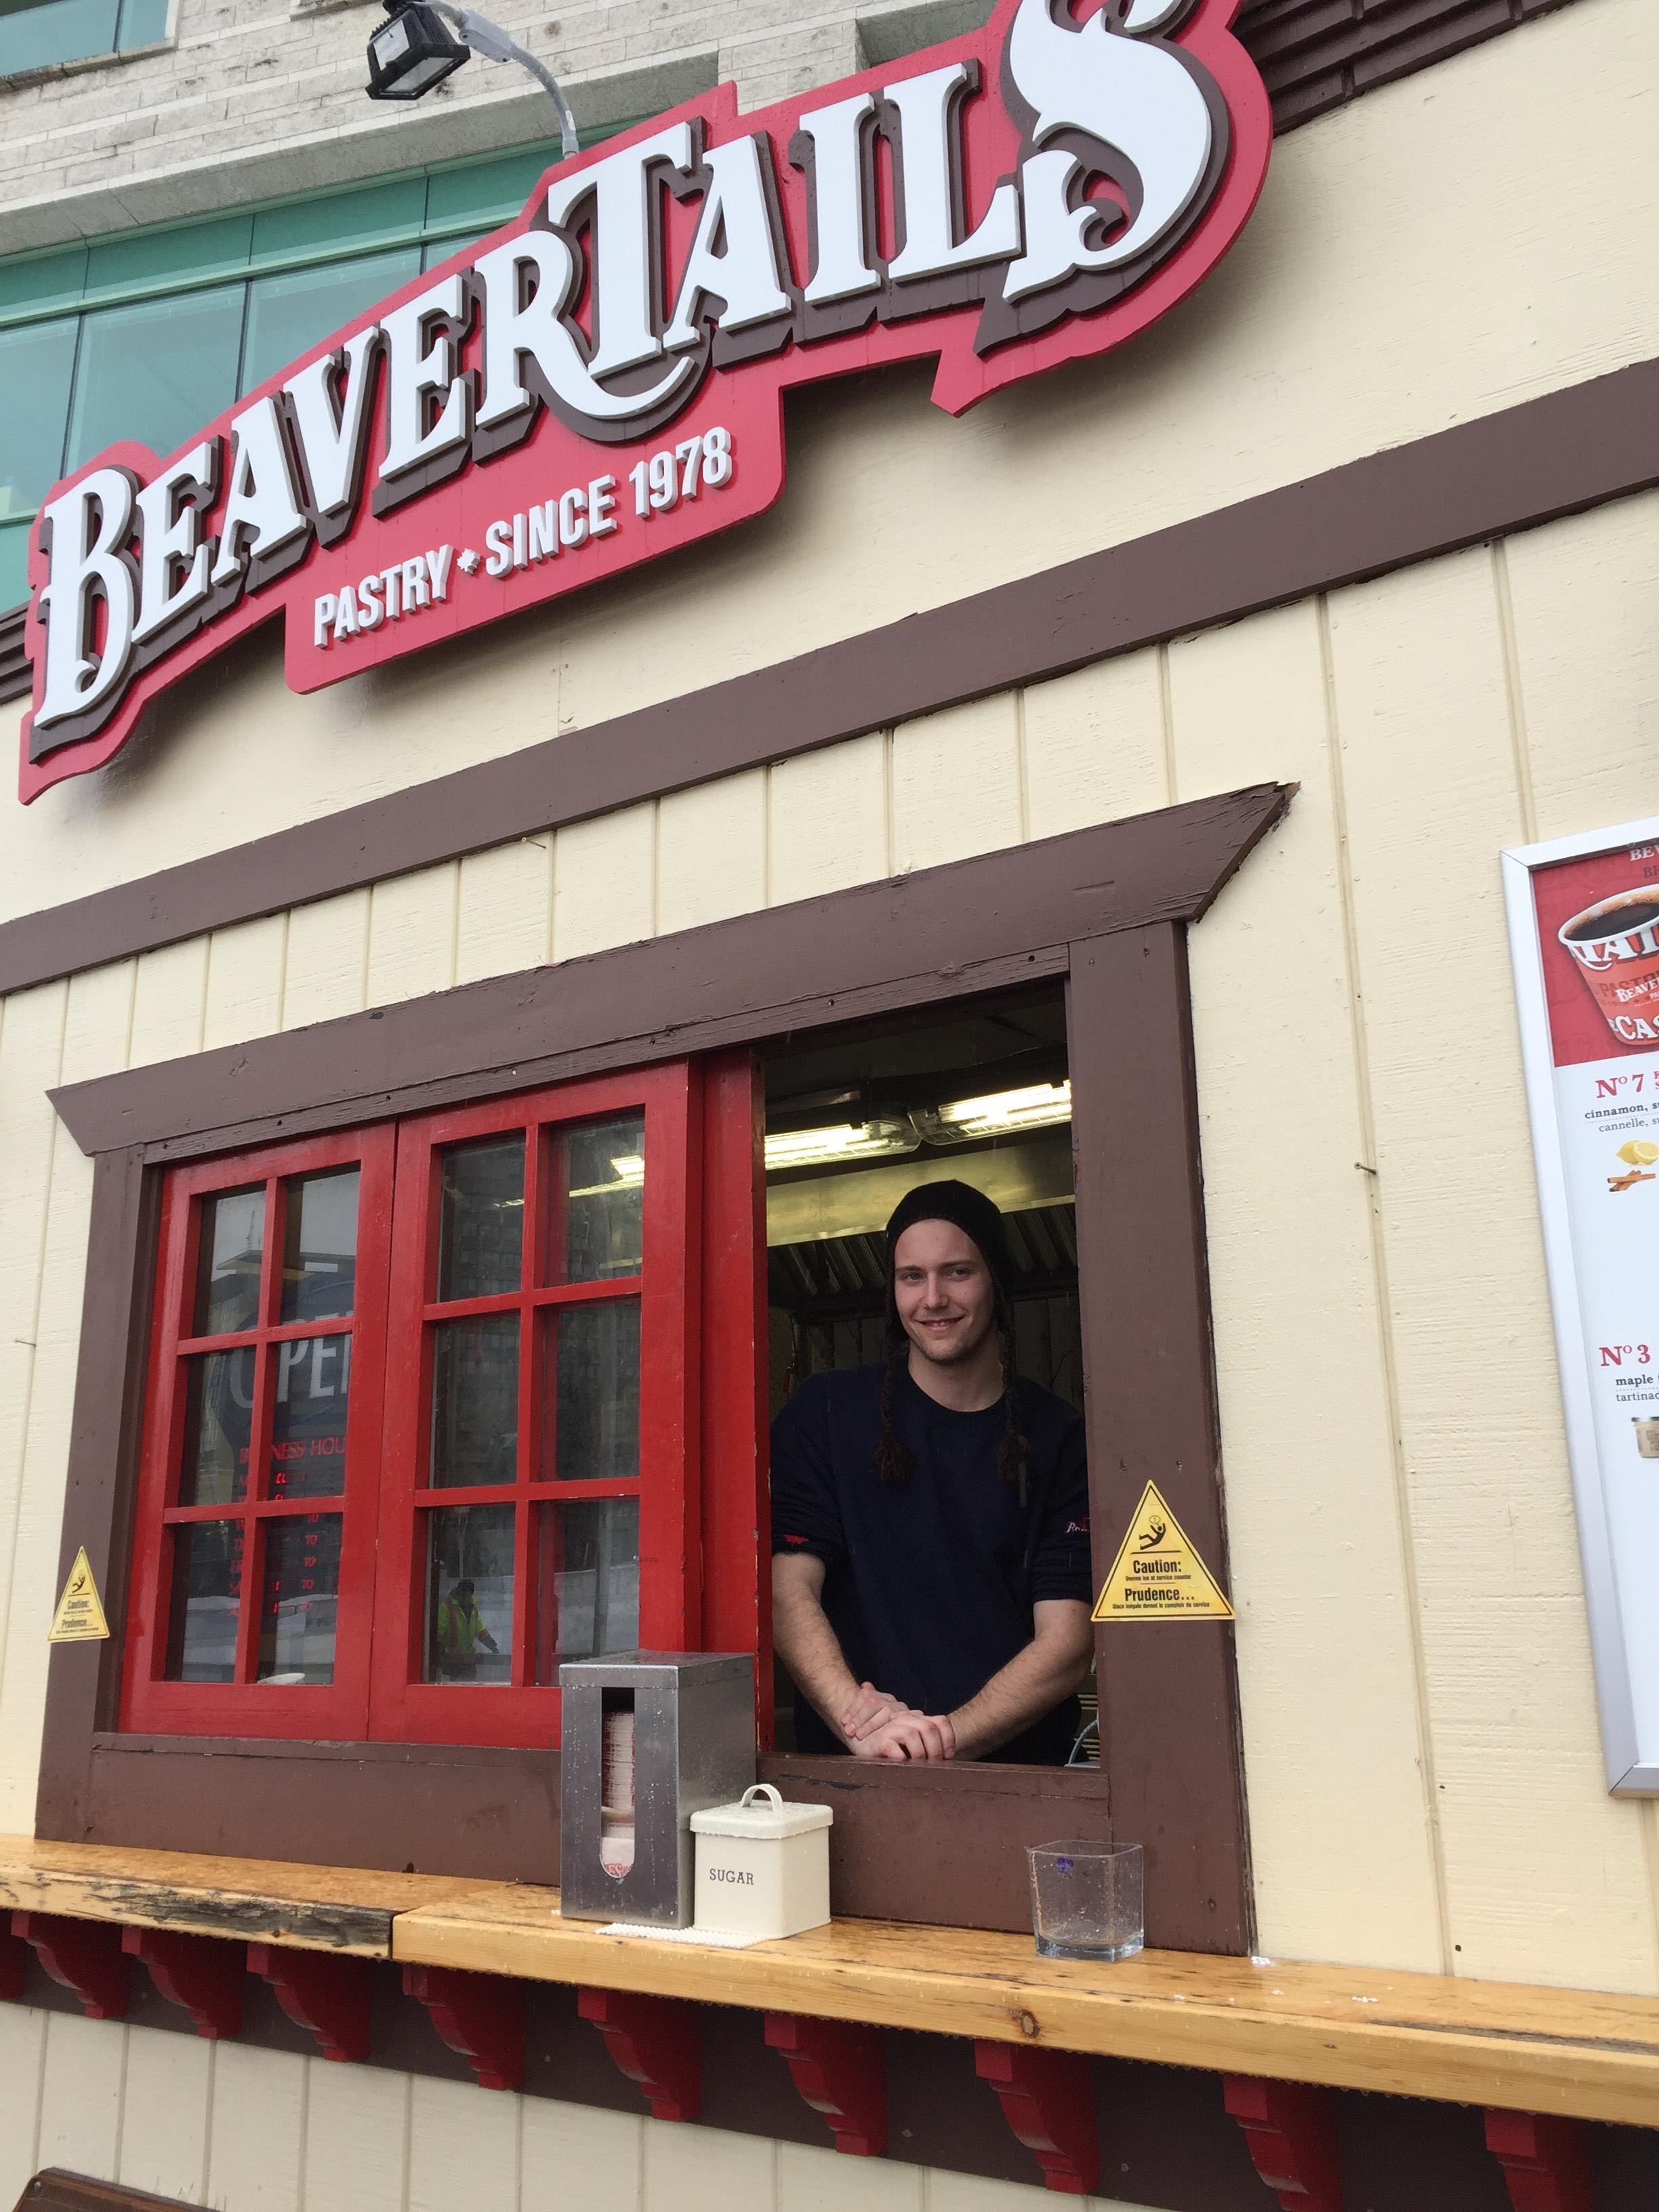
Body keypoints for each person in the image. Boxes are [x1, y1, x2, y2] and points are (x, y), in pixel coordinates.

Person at [771, 1180, 1094, 1763]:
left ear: (997, 1279)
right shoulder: (825, 1413)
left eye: (958, 1272)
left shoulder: (1061, 1437)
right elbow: (788, 1591)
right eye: (911, 1277)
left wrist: (936, 1743)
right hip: (851, 1783)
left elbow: (1068, 1642)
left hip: (1018, 1786)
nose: (933, 1298)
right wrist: (865, 1728)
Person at [434, 1576, 499, 1681]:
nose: (464, 1599)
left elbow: (481, 1631)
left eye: (467, 1596)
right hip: (453, 1661)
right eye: (462, 1595)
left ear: (471, 1595)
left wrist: (494, 1648)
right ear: (458, 1592)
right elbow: (439, 1635)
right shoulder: (446, 1608)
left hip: (469, 1660)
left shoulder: (473, 1609)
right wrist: (439, 1657)